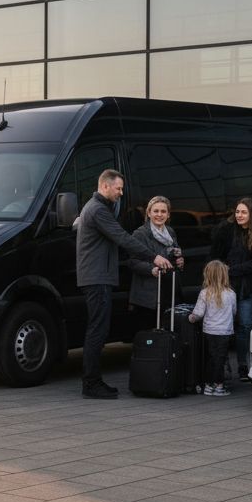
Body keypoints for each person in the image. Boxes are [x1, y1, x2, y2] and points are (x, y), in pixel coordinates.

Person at [76, 169, 173, 399]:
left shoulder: (94, 207)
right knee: (97, 331)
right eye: (118, 188)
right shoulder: (98, 210)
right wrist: (154, 256)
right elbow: (123, 238)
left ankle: (92, 381)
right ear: (105, 186)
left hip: (96, 276)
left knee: (97, 329)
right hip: (96, 277)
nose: (121, 193)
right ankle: (91, 383)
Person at [209, 197, 252, 383]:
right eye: (237, 211)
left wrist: (232, 270)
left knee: (245, 325)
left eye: (243, 212)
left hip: (247, 287)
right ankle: (219, 367)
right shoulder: (227, 231)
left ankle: (244, 365)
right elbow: (215, 255)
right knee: (222, 325)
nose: (239, 215)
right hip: (226, 286)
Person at [127, 195, 184, 332]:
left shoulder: (170, 232)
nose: (159, 215)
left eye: (163, 211)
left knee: (168, 334)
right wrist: (151, 269)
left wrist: (180, 261)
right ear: (148, 213)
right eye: (156, 211)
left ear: (168, 214)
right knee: (149, 336)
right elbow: (132, 262)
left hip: (169, 291)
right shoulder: (140, 234)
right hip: (148, 296)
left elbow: (173, 254)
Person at [190, 260, 236, 397]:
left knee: (211, 358)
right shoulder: (231, 294)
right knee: (220, 358)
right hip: (225, 331)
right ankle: (219, 385)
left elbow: (198, 313)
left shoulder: (205, 293)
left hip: (209, 331)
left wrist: (190, 318)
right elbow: (234, 312)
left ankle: (209, 385)